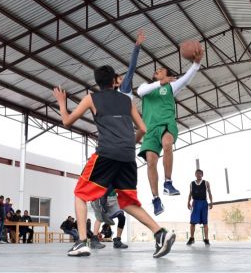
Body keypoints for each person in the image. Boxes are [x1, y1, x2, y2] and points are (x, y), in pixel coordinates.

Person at [53, 65, 176, 258]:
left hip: (107, 153)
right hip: (127, 156)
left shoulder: (91, 98)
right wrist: (127, 145)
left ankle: (81, 242)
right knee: (127, 202)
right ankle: (160, 233)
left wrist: (62, 102)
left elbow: (67, 121)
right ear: (114, 81)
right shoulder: (127, 101)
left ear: (98, 83)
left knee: (80, 194)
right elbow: (143, 128)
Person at [137, 48, 203, 216]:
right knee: (151, 162)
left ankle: (168, 182)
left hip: (166, 124)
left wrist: (196, 63)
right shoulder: (146, 87)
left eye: (161, 70)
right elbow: (140, 92)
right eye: (157, 71)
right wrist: (161, 82)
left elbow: (187, 78)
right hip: (150, 129)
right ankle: (156, 199)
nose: (157, 71)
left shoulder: (171, 86)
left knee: (167, 144)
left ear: (166, 75)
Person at [114, 30, 145, 98]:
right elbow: (131, 67)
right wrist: (137, 45)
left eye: (121, 77)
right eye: (120, 79)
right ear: (116, 84)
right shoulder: (124, 88)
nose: (123, 78)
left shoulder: (117, 95)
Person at [186, 169, 213, 246]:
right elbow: (190, 193)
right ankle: (191, 238)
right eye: (197, 173)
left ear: (202, 175)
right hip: (195, 203)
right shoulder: (191, 183)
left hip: (204, 203)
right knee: (192, 222)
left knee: (205, 222)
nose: (198, 175)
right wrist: (188, 202)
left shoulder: (206, 183)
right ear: (195, 174)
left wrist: (211, 202)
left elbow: (210, 192)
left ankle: (206, 239)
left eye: (200, 173)